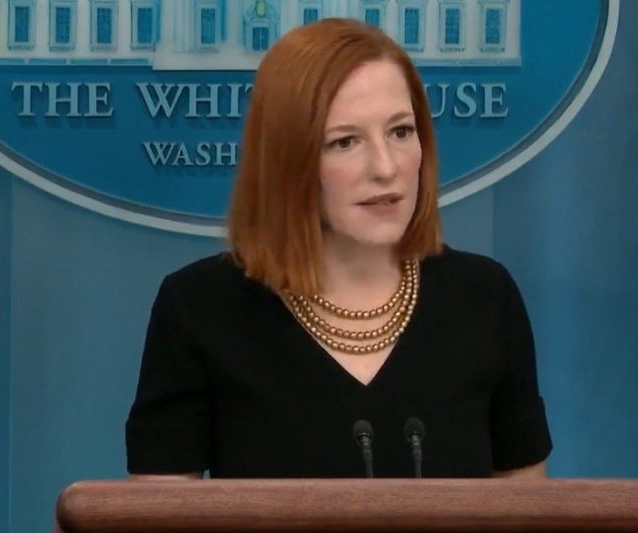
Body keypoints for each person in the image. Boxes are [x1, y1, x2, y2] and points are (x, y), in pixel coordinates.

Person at [125, 18, 551, 479]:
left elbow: (525, 503)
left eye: (400, 132)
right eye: (345, 142)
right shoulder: (199, 308)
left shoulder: (485, 298)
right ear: (288, 159)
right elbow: (160, 507)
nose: (385, 168)